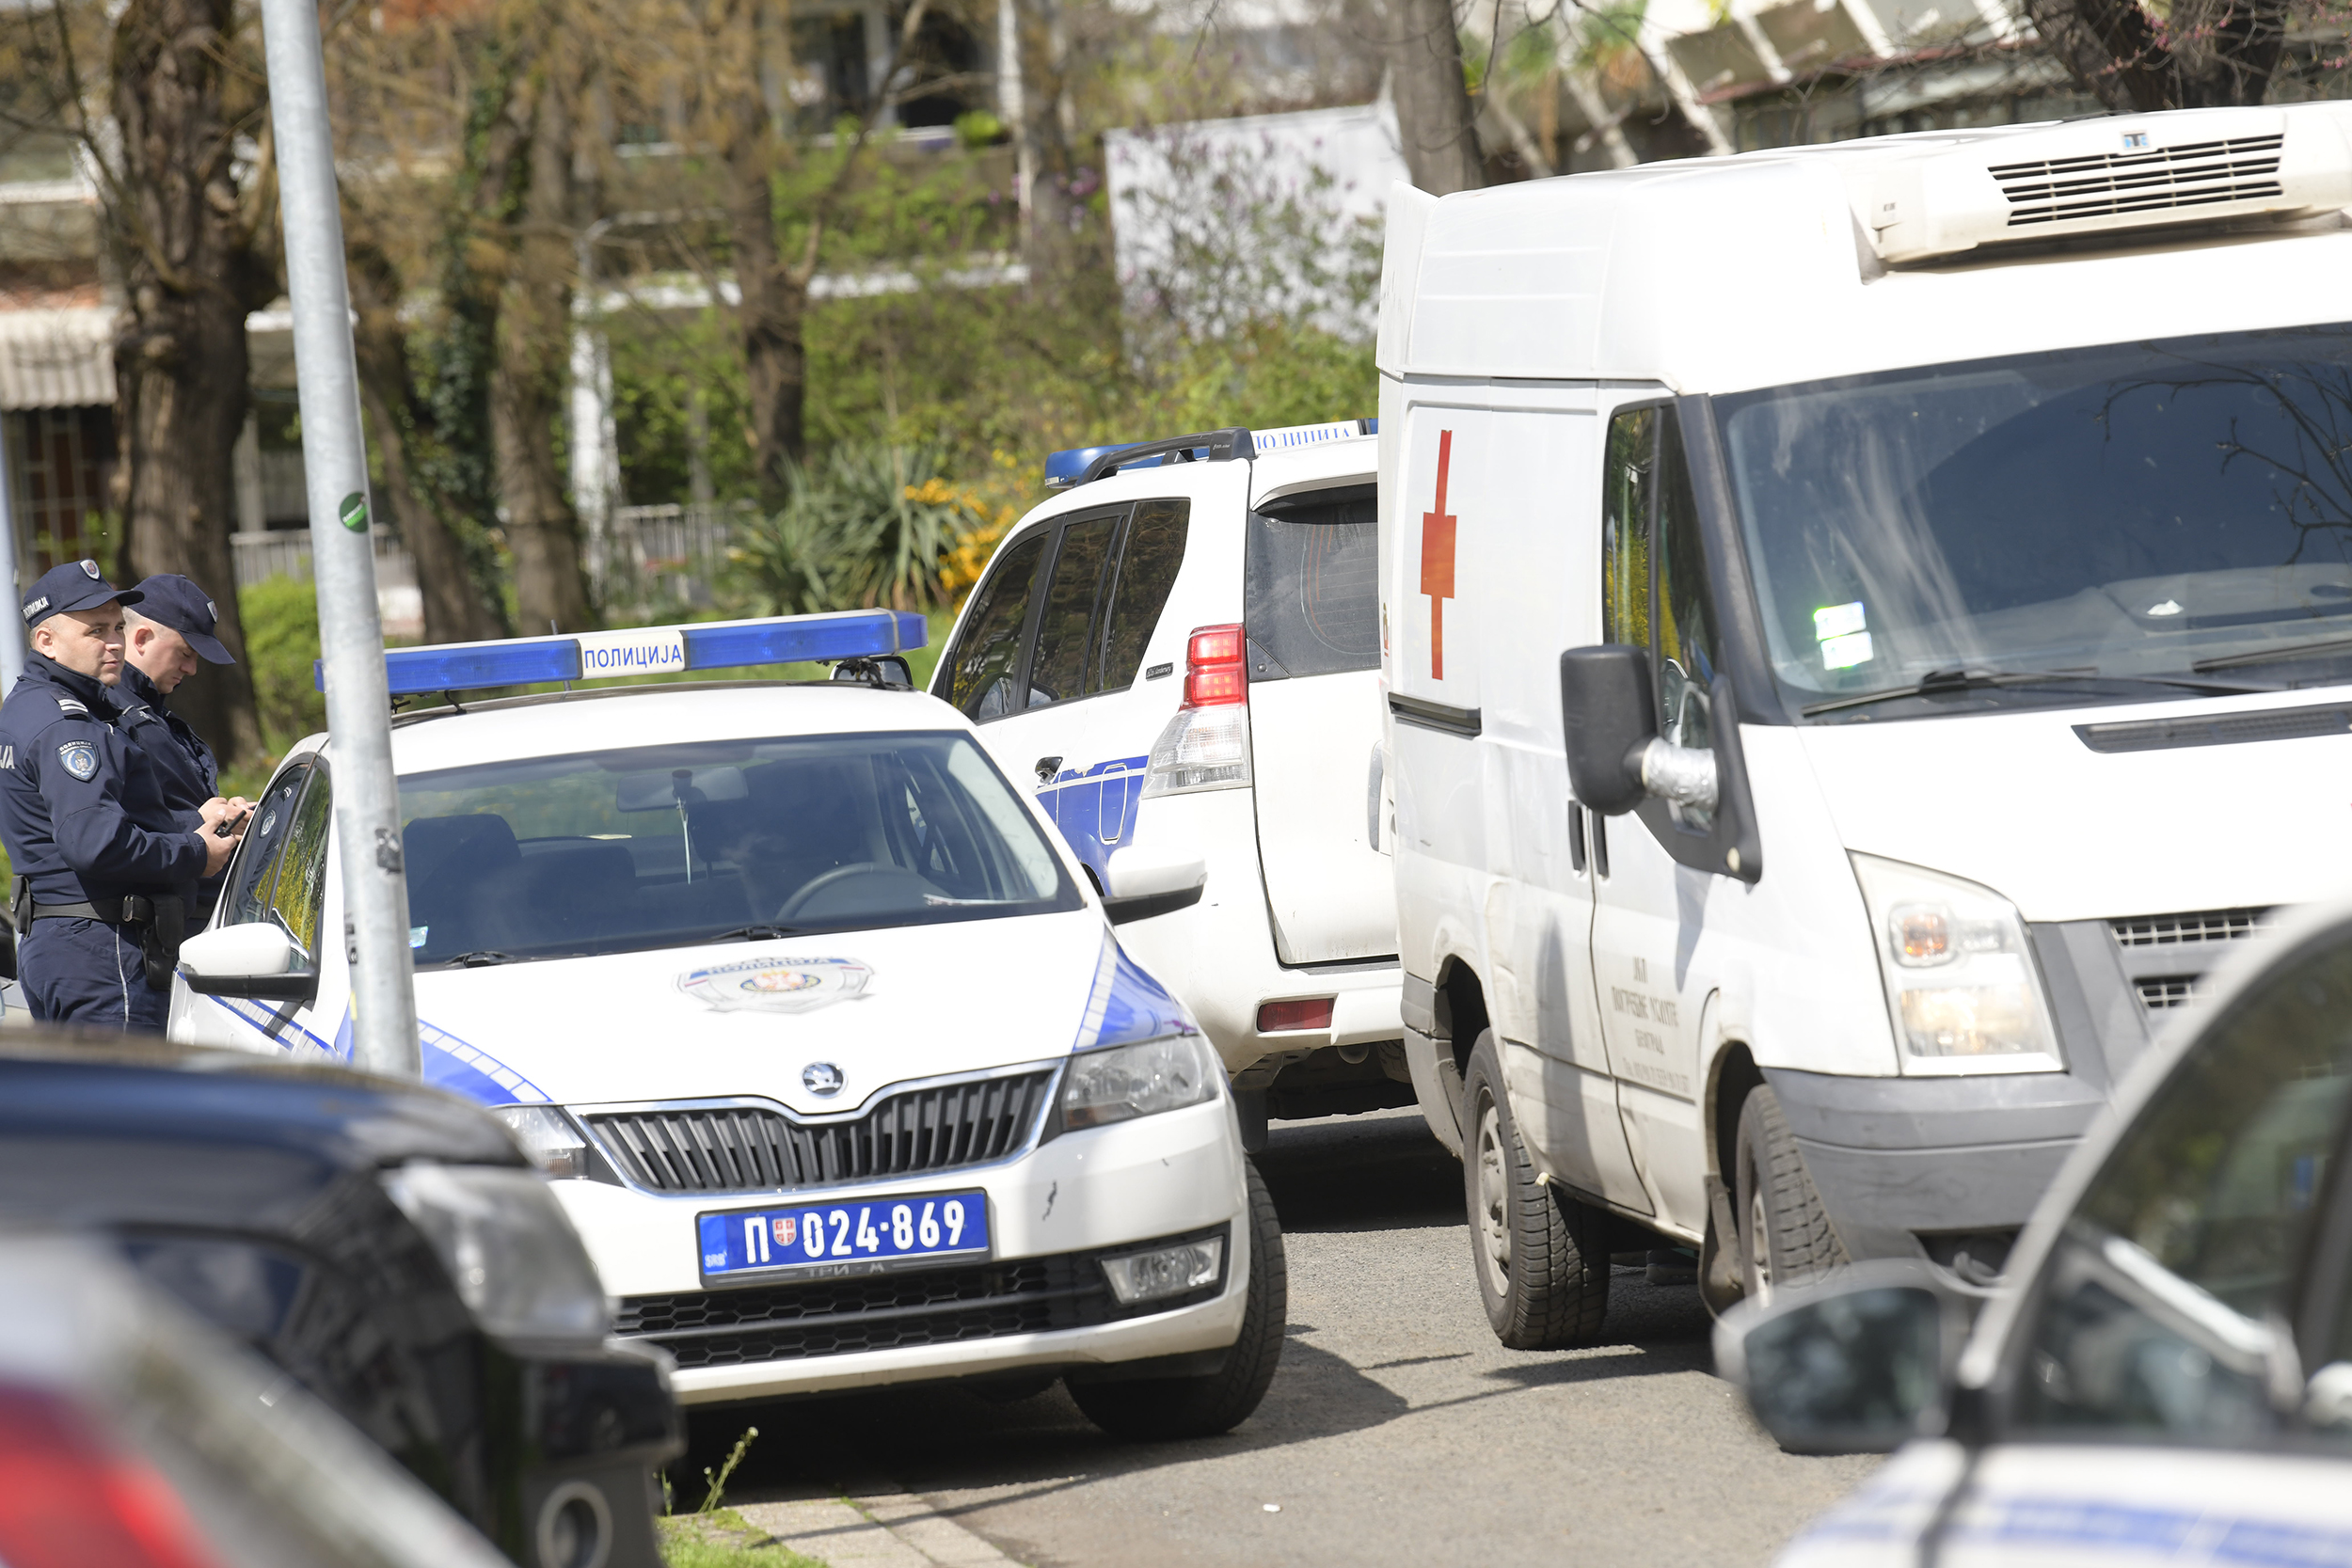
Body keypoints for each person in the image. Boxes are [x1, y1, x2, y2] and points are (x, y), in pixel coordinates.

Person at [0, 562, 244, 1032]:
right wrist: (196, 851)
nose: (114, 643)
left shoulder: (30, 705)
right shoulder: (68, 726)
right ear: (45, 641)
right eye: (95, 631)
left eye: (116, 628)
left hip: (66, 945)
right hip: (102, 952)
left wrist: (190, 822)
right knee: (129, 1106)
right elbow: (98, 843)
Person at [111, 575, 242, 922]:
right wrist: (203, 820)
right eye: (185, 653)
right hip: (157, 919)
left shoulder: (151, 713)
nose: (192, 669)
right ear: (141, 637)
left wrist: (228, 817)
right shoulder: (106, 716)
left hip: (189, 910)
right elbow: (116, 826)